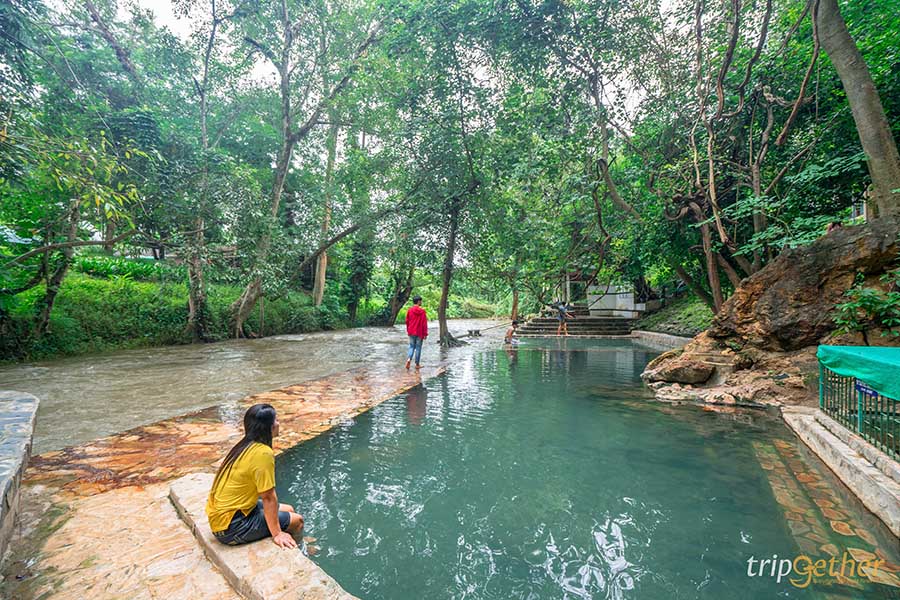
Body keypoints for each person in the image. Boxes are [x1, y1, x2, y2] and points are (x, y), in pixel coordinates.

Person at [206, 404, 303, 548]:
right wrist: (277, 534)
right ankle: (296, 547)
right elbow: (268, 497)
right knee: (298, 521)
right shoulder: (263, 453)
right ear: (268, 427)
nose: (279, 423)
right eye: (276, 420)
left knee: (288, 509)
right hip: (231, 527)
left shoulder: (244, 445)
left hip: (226, 516)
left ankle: (289, 536)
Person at [405, 295, 428, 370]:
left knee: (411, 346)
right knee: (418, 348)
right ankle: (417, 364)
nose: (421, 302)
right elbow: (424, 323)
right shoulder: (422, 311)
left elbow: (407, 321)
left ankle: (409, 359)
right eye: (421, 301)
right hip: (419, 332)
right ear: (418, 301)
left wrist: (408, 330)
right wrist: (425, 333)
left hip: (411, 331)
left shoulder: (409, 310)